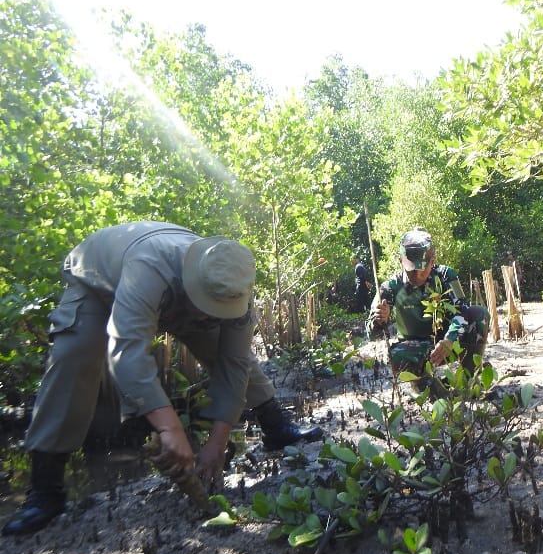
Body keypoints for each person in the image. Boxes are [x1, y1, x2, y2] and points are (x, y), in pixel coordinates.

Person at [2, 221, 323, 537]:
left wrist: (217, 442)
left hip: (174, 293)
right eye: (206, 306)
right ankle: (45, 491)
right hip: (100, 283)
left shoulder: (231, 283)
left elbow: (234, 364)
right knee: (75, 354)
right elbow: (125, 351)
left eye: (218, 309)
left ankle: (276, 428)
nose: (206, 316)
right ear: (193, 281)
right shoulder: (150, 267)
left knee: (229, 353)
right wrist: (169, 428)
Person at [367, 229, 489, 391]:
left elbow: (462, 310)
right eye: (411, 270)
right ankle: (423, 385)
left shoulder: (446, 275)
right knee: (396, 355)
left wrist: (450, 339)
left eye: (422, 268)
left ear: (433, 262)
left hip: (447, 343)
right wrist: (379, 319)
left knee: (479, 314)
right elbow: (370, 333)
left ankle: (469, 380)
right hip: (415, 349)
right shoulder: (389, 287)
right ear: (400, 262)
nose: (417, 275)